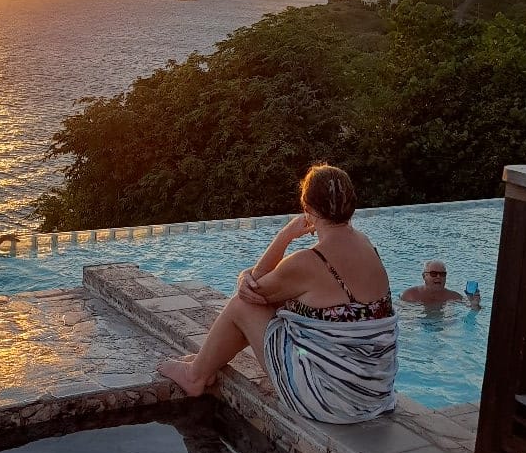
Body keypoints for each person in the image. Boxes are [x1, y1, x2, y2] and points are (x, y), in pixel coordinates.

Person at [157, 164, 398, 424]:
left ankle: (195, 376)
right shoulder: (366, 245)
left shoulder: (308, 262)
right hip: (373, 394)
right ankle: (207, 362)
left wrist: (284, 236)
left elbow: (252, 288)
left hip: (330, 400)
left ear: (308, 208)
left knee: (242, 307)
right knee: (282, 307)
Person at [400, 261, 480, 308]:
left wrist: (475, 305)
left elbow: (473, 310)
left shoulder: (454, 297)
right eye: (434, 274)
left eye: (442, 274)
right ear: (424, 276)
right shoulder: (410, 295)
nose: (438, 277)